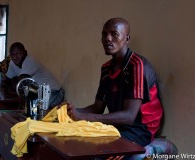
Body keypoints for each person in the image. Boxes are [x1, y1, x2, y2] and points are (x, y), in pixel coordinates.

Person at [61, 18, 163, 148]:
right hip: (119, 126)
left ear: (127, 39)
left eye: (114, 34)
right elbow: (97, 108)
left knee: (99, 151)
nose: (107, 39)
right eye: (104, 34)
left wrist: (81, 116)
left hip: (140, 130)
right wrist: (70, 111)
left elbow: (129, 117)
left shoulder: (137, 66)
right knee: (73, 139)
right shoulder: (106, 68)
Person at [5, 42, 64, 108]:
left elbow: (22, 82)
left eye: (18, 54)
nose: (15, 57)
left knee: (41, 112)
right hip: (40, 94)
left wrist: (14, 82)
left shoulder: (29, 61)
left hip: (54, 92)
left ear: (25, 53)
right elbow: (8, 80)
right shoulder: (12, 63)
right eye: (12, 55)